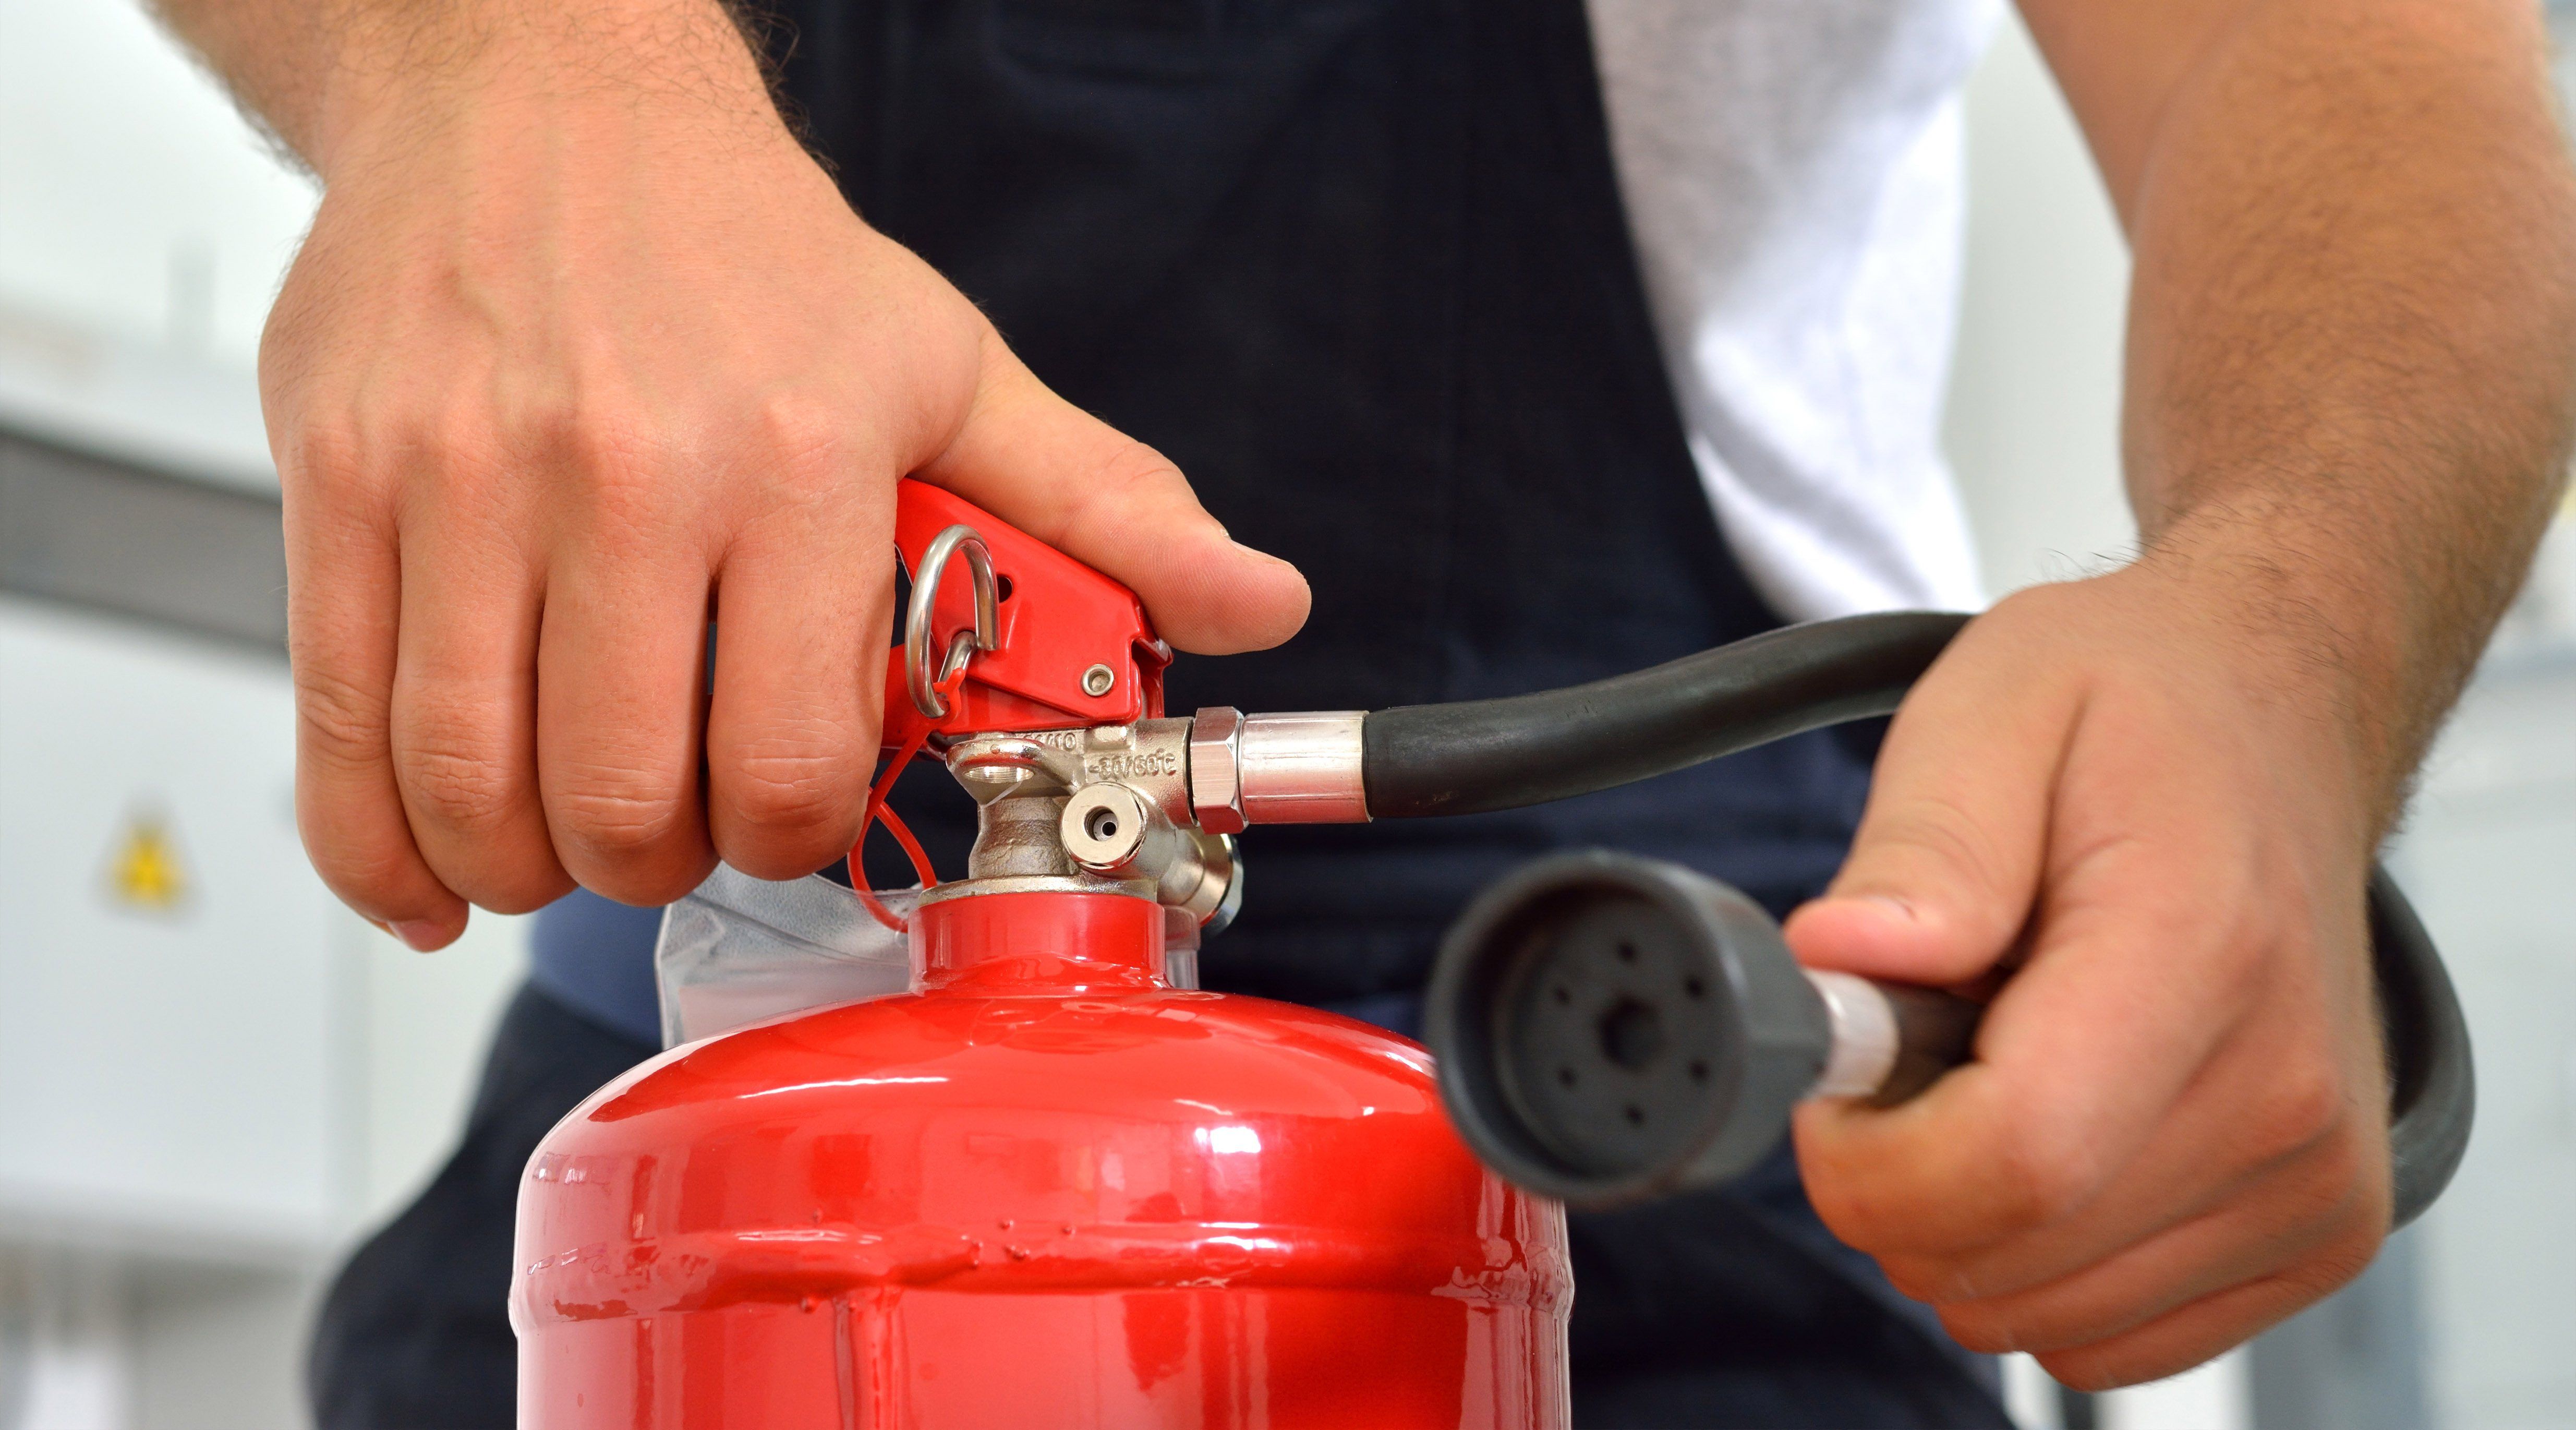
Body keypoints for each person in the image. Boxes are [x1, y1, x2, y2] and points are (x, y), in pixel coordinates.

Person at [146, 0, 2576, 1424]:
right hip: (697, 1012)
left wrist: (2284, 613)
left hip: (1633, 1044)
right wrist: (481, 57)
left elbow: (2320, 44)